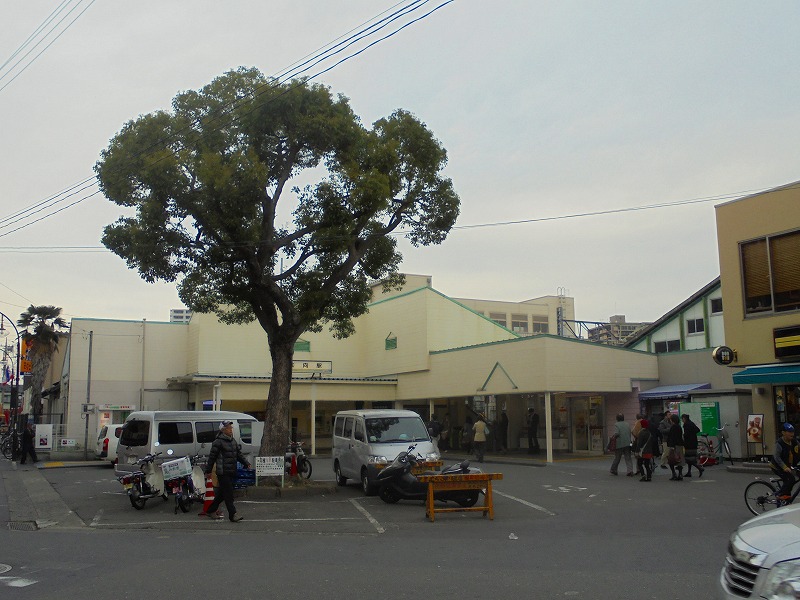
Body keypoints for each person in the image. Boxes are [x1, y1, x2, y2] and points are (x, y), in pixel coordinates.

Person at [201, 420, 251, 522]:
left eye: (231, 428)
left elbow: (238, 454)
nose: (231, 429)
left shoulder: (233, 441)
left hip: (231, 471)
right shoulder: (218, 442)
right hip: (222, 471)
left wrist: (246, 463)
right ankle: (233, 515)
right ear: (223, 430)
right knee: (229, 495)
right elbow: (212, 457)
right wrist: (208, 471)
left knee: (223, 494)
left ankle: (210, 510)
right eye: (228, 428)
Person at [770, 422, 800, 500]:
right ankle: (780, 494)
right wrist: (784, 467)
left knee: (791, 480)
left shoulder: (794, 442)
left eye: (793, 432)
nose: (792, 434)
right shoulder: (779, 443)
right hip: (777, 466)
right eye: (789, 432)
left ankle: (786, 497)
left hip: (788, 465)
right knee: (790, 479)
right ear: (783, 433)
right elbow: (777, 457)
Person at [681, 414, 704, 478]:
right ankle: (689, 472)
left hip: (688, 444)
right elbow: (698, 430)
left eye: (682, 419)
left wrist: (684, 436)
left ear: (684, 418)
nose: (682, 420)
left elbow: (686, 435)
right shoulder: (691, 423)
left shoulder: (686, 425)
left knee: (688, 459)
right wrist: (692, 434)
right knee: (691, 458)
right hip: (694, 442)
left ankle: (699, 468)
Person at [667, 414, 685, 481]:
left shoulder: (673, 427)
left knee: (671, 460)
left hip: (674, 446)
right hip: (680, 445)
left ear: (672, 420)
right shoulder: (679, 427)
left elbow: (672, 437)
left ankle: (674, 474)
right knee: (679, 460)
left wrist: (671, 446)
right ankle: (680, 474)